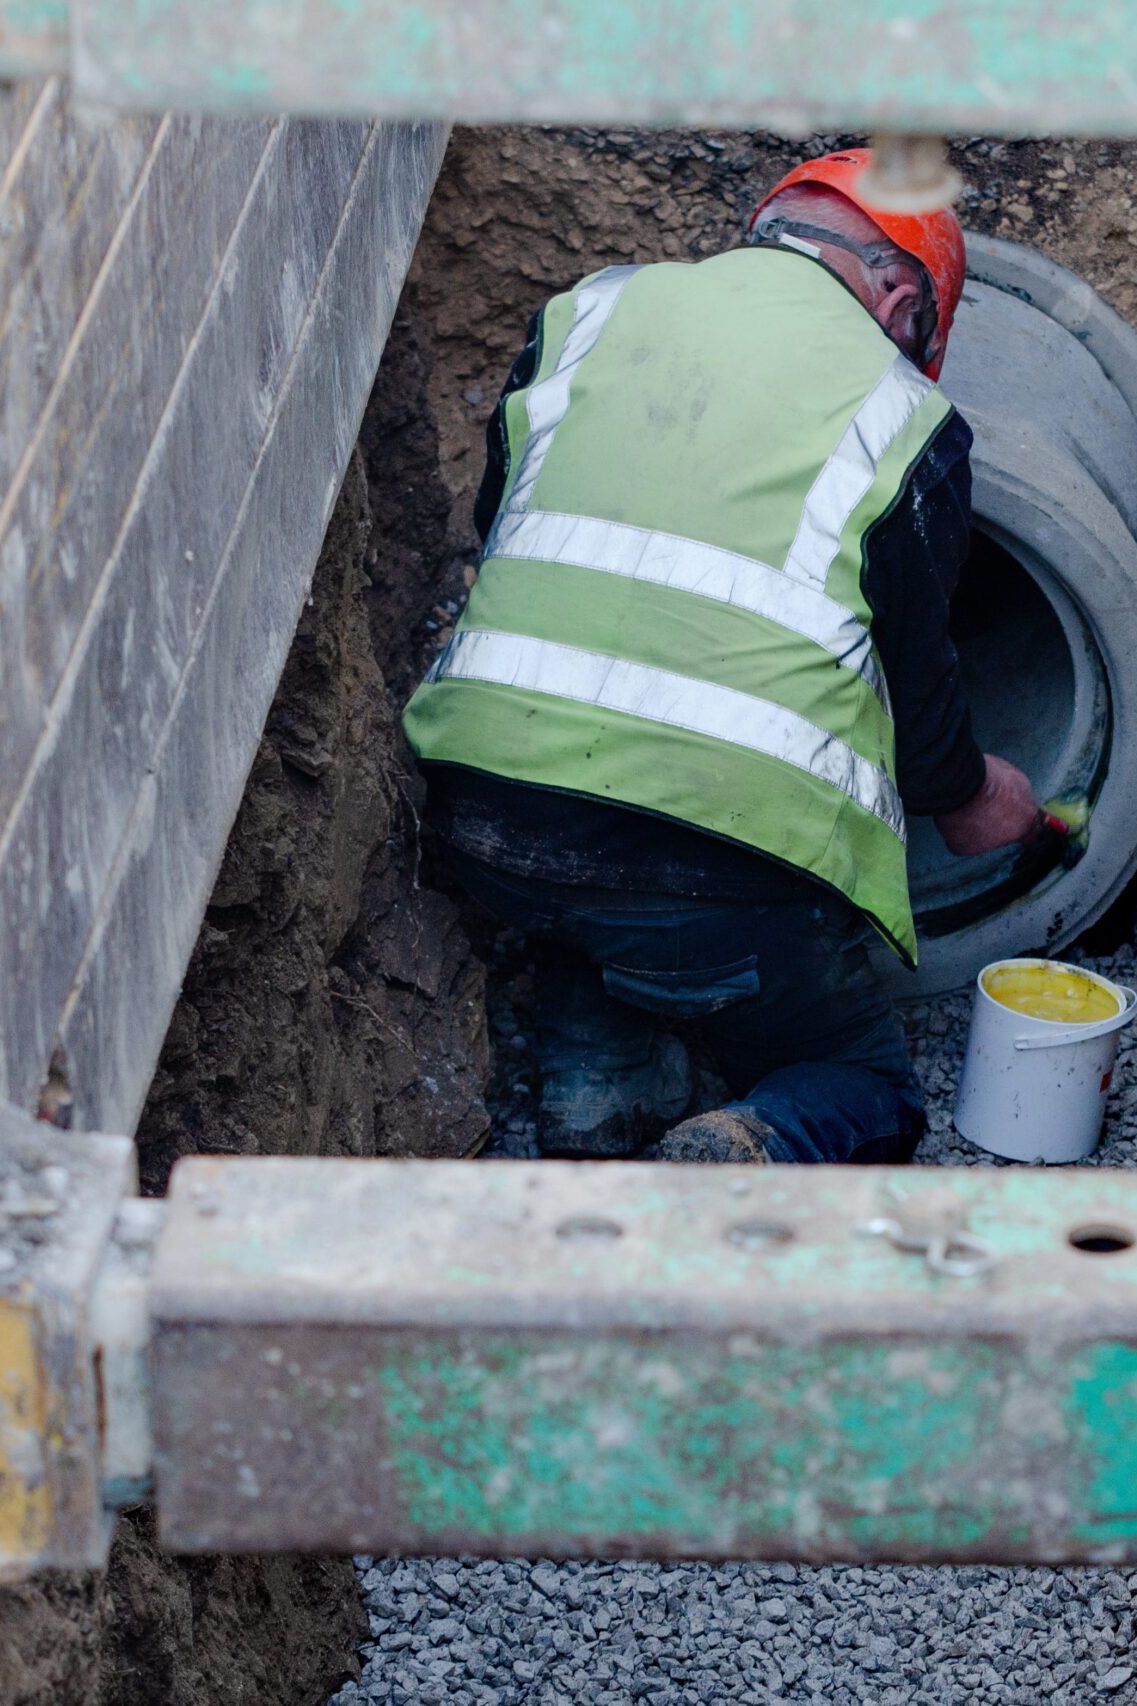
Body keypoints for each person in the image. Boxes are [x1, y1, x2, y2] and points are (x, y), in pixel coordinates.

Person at [402, 148, 1043, 1166]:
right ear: (898, 300)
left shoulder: (588, 314)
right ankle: (750, 1140)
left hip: (484, 812)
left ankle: (593, 1090)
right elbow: (914, 677)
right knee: (864, 1082)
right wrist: (972, 794)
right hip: (717, 872)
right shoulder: (902, 417)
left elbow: (505, 527)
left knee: (596, 899)